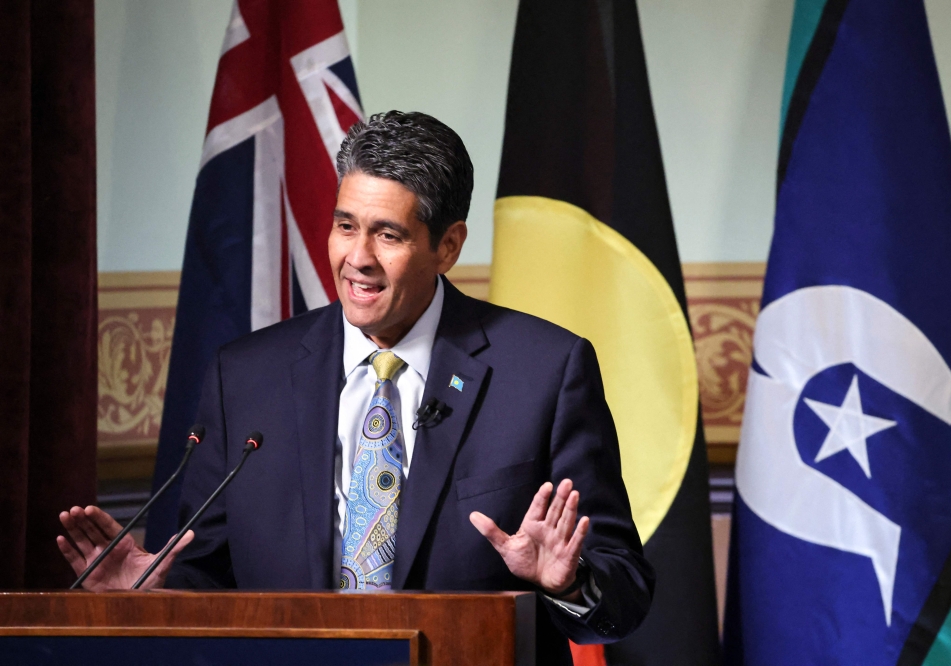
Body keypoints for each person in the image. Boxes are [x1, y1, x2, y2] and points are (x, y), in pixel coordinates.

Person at [58, 111, 654, 664]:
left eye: (388, 235)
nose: (357, 258)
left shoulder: (545, 371)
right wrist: (142, 599)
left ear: (447, 246)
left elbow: (622, 593)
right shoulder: (246, 376)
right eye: (346, 226)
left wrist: (570, 582)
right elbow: (208, 580)